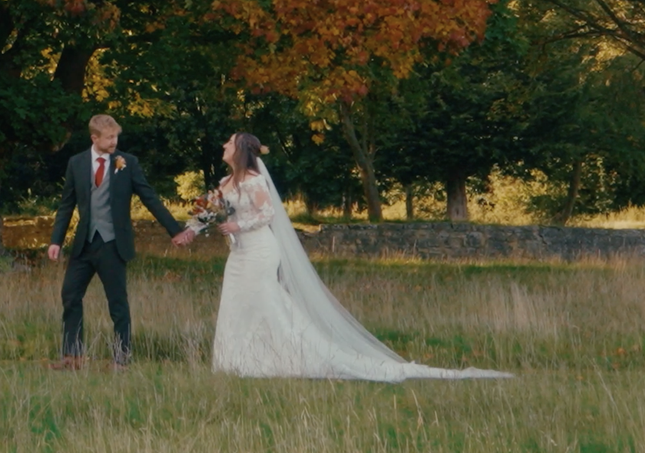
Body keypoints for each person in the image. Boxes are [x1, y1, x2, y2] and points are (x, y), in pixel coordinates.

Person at [181, 131, 510, 381]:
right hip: (238, 255)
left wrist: (238, 224)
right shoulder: (226, 182)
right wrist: (192, 230)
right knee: (238, 303)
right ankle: (237, 360)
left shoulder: (253, 181)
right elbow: (210, 212)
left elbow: (267, 214)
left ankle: (281, 358)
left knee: (266, 303)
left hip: (259, 251)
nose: (224, 145)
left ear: (239, 151)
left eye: (229, 143)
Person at [47, 113, 190, 368]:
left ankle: (121, 358)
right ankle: (73, 356)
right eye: (109, 137)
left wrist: (175, 231)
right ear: (95, 138)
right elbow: (66, 204)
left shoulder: (128, 163)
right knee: (70, 295)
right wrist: (55, 240)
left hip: (113, 243)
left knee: (117, 303)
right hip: (84, 243)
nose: (114, 142)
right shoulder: (76, 163)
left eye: (116, 136)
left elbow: (150, 198)